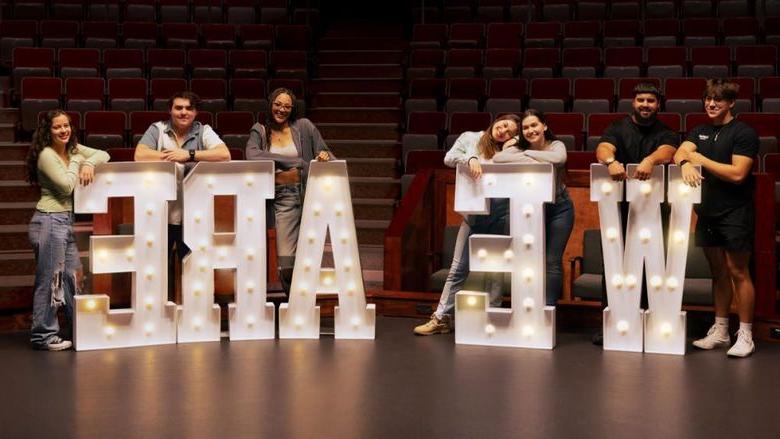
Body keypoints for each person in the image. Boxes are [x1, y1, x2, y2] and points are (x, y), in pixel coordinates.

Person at [414, 114, 521, 335]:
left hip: (501, 213)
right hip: (473, 215)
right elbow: (449, 158)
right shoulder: (471, 138)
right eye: (502, 125)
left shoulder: (509, 150)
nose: (503, 131)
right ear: (495, 122)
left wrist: (510, 148)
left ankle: (494, 318)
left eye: (509, 131)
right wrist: (471, 158)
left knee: (495, 271)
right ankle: (441, 318)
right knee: (457, 269)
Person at [674, 79, 759, 358]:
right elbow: (680, 152)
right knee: (717, 273)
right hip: (707, 211)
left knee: (738, 272)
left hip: (735, 211)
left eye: (718, 100)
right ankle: (721, 330)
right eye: (708, 99)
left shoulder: (743, 133)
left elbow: (737, 174)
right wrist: (686, 162)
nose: (711, 104)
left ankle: (745, 334)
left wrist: (699, 159)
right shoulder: (699, 130)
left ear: (731, 103)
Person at [592, 82, 678, 344]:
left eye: (650, 101)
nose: (645, 105)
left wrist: (650, 160)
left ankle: (649, 323)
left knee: (654, 268)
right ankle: (614, 322)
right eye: (641, 100)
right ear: (633, 102)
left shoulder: (666, 131)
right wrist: (611, 161)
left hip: (655, 209)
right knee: (615, 267)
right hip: (620, 209)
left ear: (658, 105)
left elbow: (669, 151)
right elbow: (603, 147)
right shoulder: (618, 127)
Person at [134, 91, 231, 301]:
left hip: (194, 215)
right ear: (171, 110)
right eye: (178, 108)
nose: (183, 112)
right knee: (158, 267)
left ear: (195, 112)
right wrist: (171, 156)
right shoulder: (157, 129)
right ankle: (162, 315)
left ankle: (191, 314)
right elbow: (140, 154)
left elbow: (224, 154)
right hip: (160, 214)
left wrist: (189, 154)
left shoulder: (204, 131)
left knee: (194, 268)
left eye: (188, 108)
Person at [26, 110, 110, 350]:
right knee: (51, 280)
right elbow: (65, 187)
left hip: (64, 222)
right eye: (57, 127)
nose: (64, 131)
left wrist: (89, 161)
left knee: (74, 278)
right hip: (49, 221)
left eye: (67, 126)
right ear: (47, 131)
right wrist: (78, 160)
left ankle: (79, 329)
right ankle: (43, 335)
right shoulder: (47, 155)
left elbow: (103, 153)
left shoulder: (71, 149)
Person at [245, 87, 333, 296]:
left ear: (292, 109)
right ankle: (295, 301)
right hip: (282, 197)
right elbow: (253, 155)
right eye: (278, 104)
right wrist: (295, 162)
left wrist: (323, 156)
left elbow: (325, 151)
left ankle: (304, 303)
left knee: (309, 254)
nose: (281, 109)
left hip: (308, 194)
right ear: (270, 104)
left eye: (286, 106)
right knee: (286, 260)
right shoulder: (260, 129)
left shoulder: (303, 126)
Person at [493, 109, 575, 306]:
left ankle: (548, 309)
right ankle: (529, 308)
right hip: (531, 211)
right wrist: (532, 155)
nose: (530, 130)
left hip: (559, 209)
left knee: (551, 262)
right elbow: (499, 159)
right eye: (525, 128)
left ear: (544, 126)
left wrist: (528, 152)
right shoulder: (517, 147)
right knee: (528, 260)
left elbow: (559, 159)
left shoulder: (556, 144)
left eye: (534, 125)